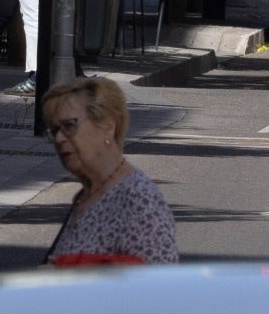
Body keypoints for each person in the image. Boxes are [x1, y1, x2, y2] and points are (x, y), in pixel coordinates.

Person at [41, 76, 176, 264]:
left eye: (69, 126)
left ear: (107, 126)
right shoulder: (87, 195)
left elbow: (157, 288)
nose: (59, 139)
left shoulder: (138, 201)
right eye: (55, 131)